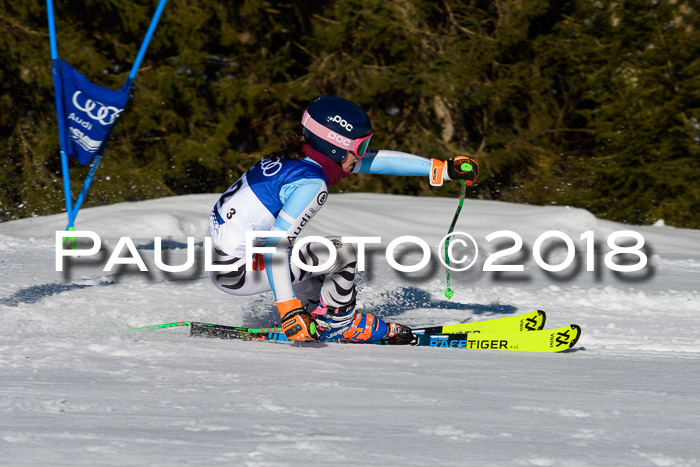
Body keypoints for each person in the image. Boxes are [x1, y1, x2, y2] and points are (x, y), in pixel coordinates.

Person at [206, 96, 478, 344]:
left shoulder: (297, 156)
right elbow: (276, 246)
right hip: (237, 272)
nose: (363, 154)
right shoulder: (311, 184)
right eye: (361, 146)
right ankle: (340, 324)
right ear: (336, 147)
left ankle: (315, 311)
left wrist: (439, 169)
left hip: (225, 258)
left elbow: (375, 162)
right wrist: (288, 309)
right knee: (339, 251)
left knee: (310, 256)